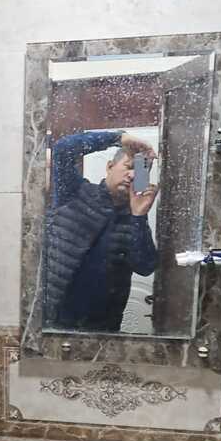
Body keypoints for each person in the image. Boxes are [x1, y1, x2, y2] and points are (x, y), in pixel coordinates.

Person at [44, 129, 159, 332]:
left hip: (103, 330)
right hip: (53, 322)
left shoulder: (133, 219)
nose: (132, 175)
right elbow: (62, 150)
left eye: (140, 172)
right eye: (128, 167)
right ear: (109, 166)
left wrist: (139, 216)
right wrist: (118, 138)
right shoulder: (74, 192)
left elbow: (145, 266)